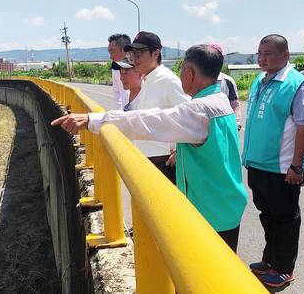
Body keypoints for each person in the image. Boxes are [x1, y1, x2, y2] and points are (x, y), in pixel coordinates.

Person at [51, 44, 248, 251]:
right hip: (226, 203)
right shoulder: (220, 100)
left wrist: (92, 120)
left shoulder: (200, 110)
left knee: (209, 272)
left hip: (211, 211)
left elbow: (149, 121)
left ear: (189, 72)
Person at [242, 34, 304, 288]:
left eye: (268, 54)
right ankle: (270, 260)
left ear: (285, 55)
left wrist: (297, 166)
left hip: (283, 168)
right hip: (258, 165)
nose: (262, 59)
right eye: (260, 54)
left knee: (285, 219)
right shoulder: (259, 80)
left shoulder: (297, 84)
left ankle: (284, 269)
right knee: (267, 215)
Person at [124, 31, 190, 184]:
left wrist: (180, 151)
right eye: (133, 53)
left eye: (140, 52)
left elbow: (189, 115)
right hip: (147, 158)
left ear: (156, 53)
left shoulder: (168, 80)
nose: (135, 57)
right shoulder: (148, 80)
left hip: (164, 161)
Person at [108, 34, 131, 110]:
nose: (110, 57)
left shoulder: (140, 68)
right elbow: (116, 92)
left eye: (112, 52)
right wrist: (119, 113)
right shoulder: (115, 68)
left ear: (125, 50)